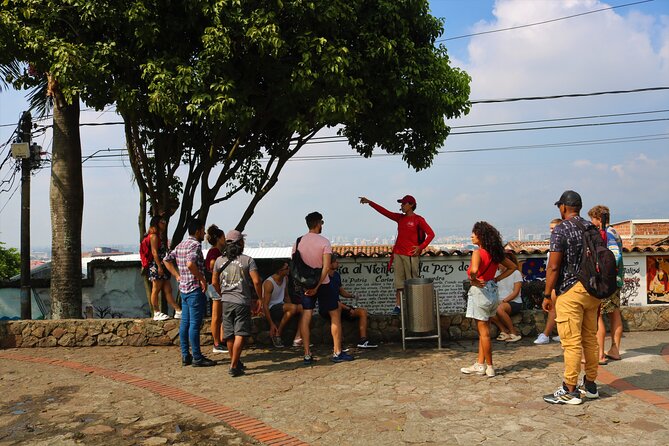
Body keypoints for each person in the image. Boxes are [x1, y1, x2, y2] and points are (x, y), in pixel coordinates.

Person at [543, 190, 600, 405]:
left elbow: (554, 265)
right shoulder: (591, 227)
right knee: (590, 339)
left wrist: (548, 294)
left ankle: (570, 390)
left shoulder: (561, 229)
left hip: (571, 290)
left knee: (572, 342)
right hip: (593, 291)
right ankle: (591, 385)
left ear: (564, 208)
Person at [358, 195, 435, 315]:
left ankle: (414, 306)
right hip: (398, 254)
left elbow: (431, 234)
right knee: (399, 283)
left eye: (404, 204)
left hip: (411, 255)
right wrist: (370, 202)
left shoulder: (418, 219)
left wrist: (420, 247)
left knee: (412, 282)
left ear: (411, 205)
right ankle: (398, 306)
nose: (401, 206)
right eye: (401, 204)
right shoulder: (400, 218)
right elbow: (385, 212)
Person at [295, 211, 353, 364]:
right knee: (335, 315)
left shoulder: (298, 241)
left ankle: (307, 354)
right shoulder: (324, 242)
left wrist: (309, 286)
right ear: (318, 223)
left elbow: (296, 267)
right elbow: (326, 267)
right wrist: (318, 285)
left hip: (306, 284)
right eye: (322, 222)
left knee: (306, 316)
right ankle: (337, 352)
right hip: (324, 283)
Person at [460, 222, 517, 378]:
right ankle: (480, 364)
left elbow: (474, 270)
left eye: (474, 233)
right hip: (492, 291)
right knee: (483, 330)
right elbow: (512, 267)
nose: (471, 236)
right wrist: (497, 278)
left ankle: (490, 366)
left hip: (480, 292)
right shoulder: (495, 254)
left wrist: (474, 279)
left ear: (481, 236)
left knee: (484, 332)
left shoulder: (477, 253)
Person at [163, 219, 216, 367]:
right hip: (194, 289)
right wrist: (201, 279)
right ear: (198, 230)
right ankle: (197, 357)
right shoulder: (195, 245)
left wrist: (177, 276)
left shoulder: (181, 245)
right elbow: (191, 263)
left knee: (185, 323)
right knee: (194, 324)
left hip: (184, 290)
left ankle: (186, 355)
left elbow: (167, 260)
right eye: (203, 230)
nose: (204, 233)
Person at [212, 230, 263, 377]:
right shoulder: (248, 260)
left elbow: (214, 282)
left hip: (226, 300)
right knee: (241, 332)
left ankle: (235, 361)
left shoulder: (219, 261)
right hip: (242, 301)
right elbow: (257, 281)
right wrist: (259, 298)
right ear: (241, 243)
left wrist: (222, 293)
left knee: (229, 334)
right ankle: (234, 365)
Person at [588, 205, 624, 363]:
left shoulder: (607, 234)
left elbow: (613, 255)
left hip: (607, 280)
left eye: (592, 219)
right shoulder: (615, 232)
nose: (592, 222)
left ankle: (600, 354)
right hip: (617, 280)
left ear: (598, 218)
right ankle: (614, 349)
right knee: (615, 313)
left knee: (598, 315)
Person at [320, 253, 378, 349]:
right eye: (335, 262)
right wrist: (347, 308)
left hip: (339, 306)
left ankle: (363, 340)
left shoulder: (337, 276)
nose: (337, 263)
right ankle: (339, 344)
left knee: (362, 312)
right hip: (328, 307)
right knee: (337, 309)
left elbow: (341, 291)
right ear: (329, 264)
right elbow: (331, 300)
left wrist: (352, 296)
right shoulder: (324, 279)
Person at [142, 215, 181, 321]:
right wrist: (159, 266)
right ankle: (156, 312)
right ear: (157, 224)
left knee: (168, 289)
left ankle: (177, 310)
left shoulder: (158, 236)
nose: (164, 224)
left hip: (161, 265)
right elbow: (154, 252)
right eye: (162, 222)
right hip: (157, 265)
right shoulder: (154, 236)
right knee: (156, 289)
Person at [262, 260, 304, 348]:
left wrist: (294, 308)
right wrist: (271, 323)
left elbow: (286, 296)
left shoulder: (285, 279)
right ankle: (278, 333)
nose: (289, 269)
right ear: (279, 271)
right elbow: (265, 305)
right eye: (286, 268)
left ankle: (298, 337)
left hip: (282, 306)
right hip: (272, 308)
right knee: (293, 308)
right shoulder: (269, 283)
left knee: (303, 308)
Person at [534, 218, 562, 345]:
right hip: (559, 283)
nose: (551, 231)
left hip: (557, 283)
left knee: (552, 309)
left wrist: (549, 289)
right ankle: (562, 334)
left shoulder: (556, 246)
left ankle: (545, 335)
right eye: (550, 228)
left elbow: (553, 267)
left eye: (554, 228)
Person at [490, 251, 523, 343]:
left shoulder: (516, 273)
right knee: (487, 310)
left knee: (500, 309)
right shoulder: (497, 274)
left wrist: (504, 301)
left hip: (514, 302)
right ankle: (504, 330)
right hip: (500, 302)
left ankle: (514, 332)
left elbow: (516, 292)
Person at [205, 224, 227, 354]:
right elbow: (213, 264)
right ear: (219, 238)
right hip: (215, 286)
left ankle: (219, 341)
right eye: (223, 237)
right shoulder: (215, 252)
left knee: (219, 316)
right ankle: (217, 342)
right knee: (216, 316)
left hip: (214, 285)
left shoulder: (215, 251)